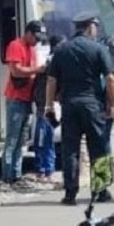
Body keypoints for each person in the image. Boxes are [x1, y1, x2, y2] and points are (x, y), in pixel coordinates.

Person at [45, 11, 114, 206]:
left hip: (69, 105)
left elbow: (51, 81)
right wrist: (111, 103)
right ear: (90, 27)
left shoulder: (61, 50)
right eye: (96, 27)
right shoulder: (98, 49)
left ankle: (70, 194)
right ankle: (101, 190)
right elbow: (110, 79)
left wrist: (49, 106)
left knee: (70, 150)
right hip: (93, 105)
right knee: (99, 148)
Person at [0, 20, 46, 189]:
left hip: (27, 99)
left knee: (22, 141)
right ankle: (7, 177)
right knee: (12, 140)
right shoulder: (15, 45)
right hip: (15, 98)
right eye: (35, 37)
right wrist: (36, 70)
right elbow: (15, 70)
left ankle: (17, 175)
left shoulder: (32, 50)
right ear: (28, 33)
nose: (36, 41)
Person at [33, 35, 65, 182]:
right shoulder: (51, 63)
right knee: (44, 139)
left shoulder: (52, 62)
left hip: (48, 106)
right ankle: (44, 170)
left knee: (46, 139)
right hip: (46, 106)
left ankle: (46, 170)